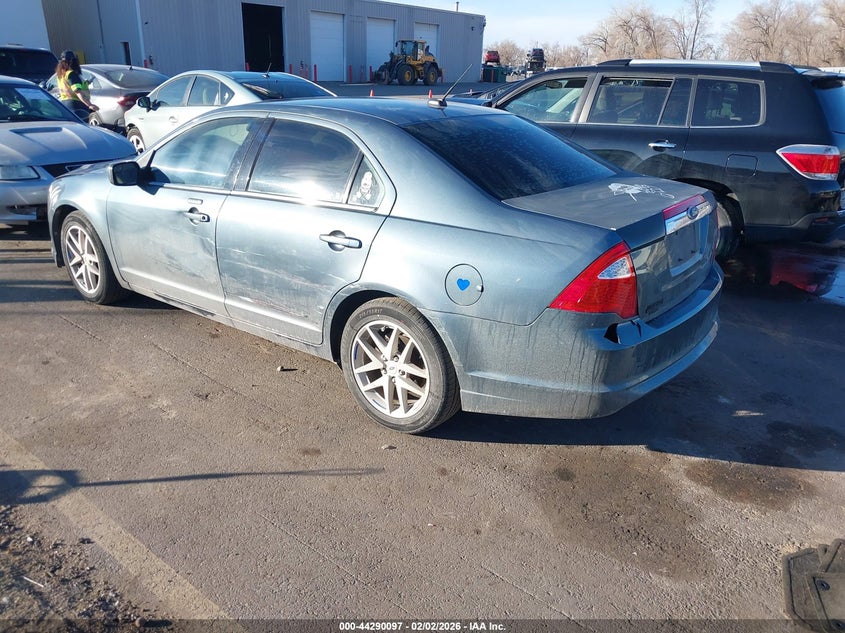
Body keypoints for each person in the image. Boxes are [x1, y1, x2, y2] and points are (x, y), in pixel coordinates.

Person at [55, 49, 98, 122]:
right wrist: (89, 105)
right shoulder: (71, 74)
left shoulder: (61, 75)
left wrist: (85, 83)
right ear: (73, 61)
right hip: (76, 105)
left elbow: (69, 86)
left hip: (65, 105)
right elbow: (77, 91)